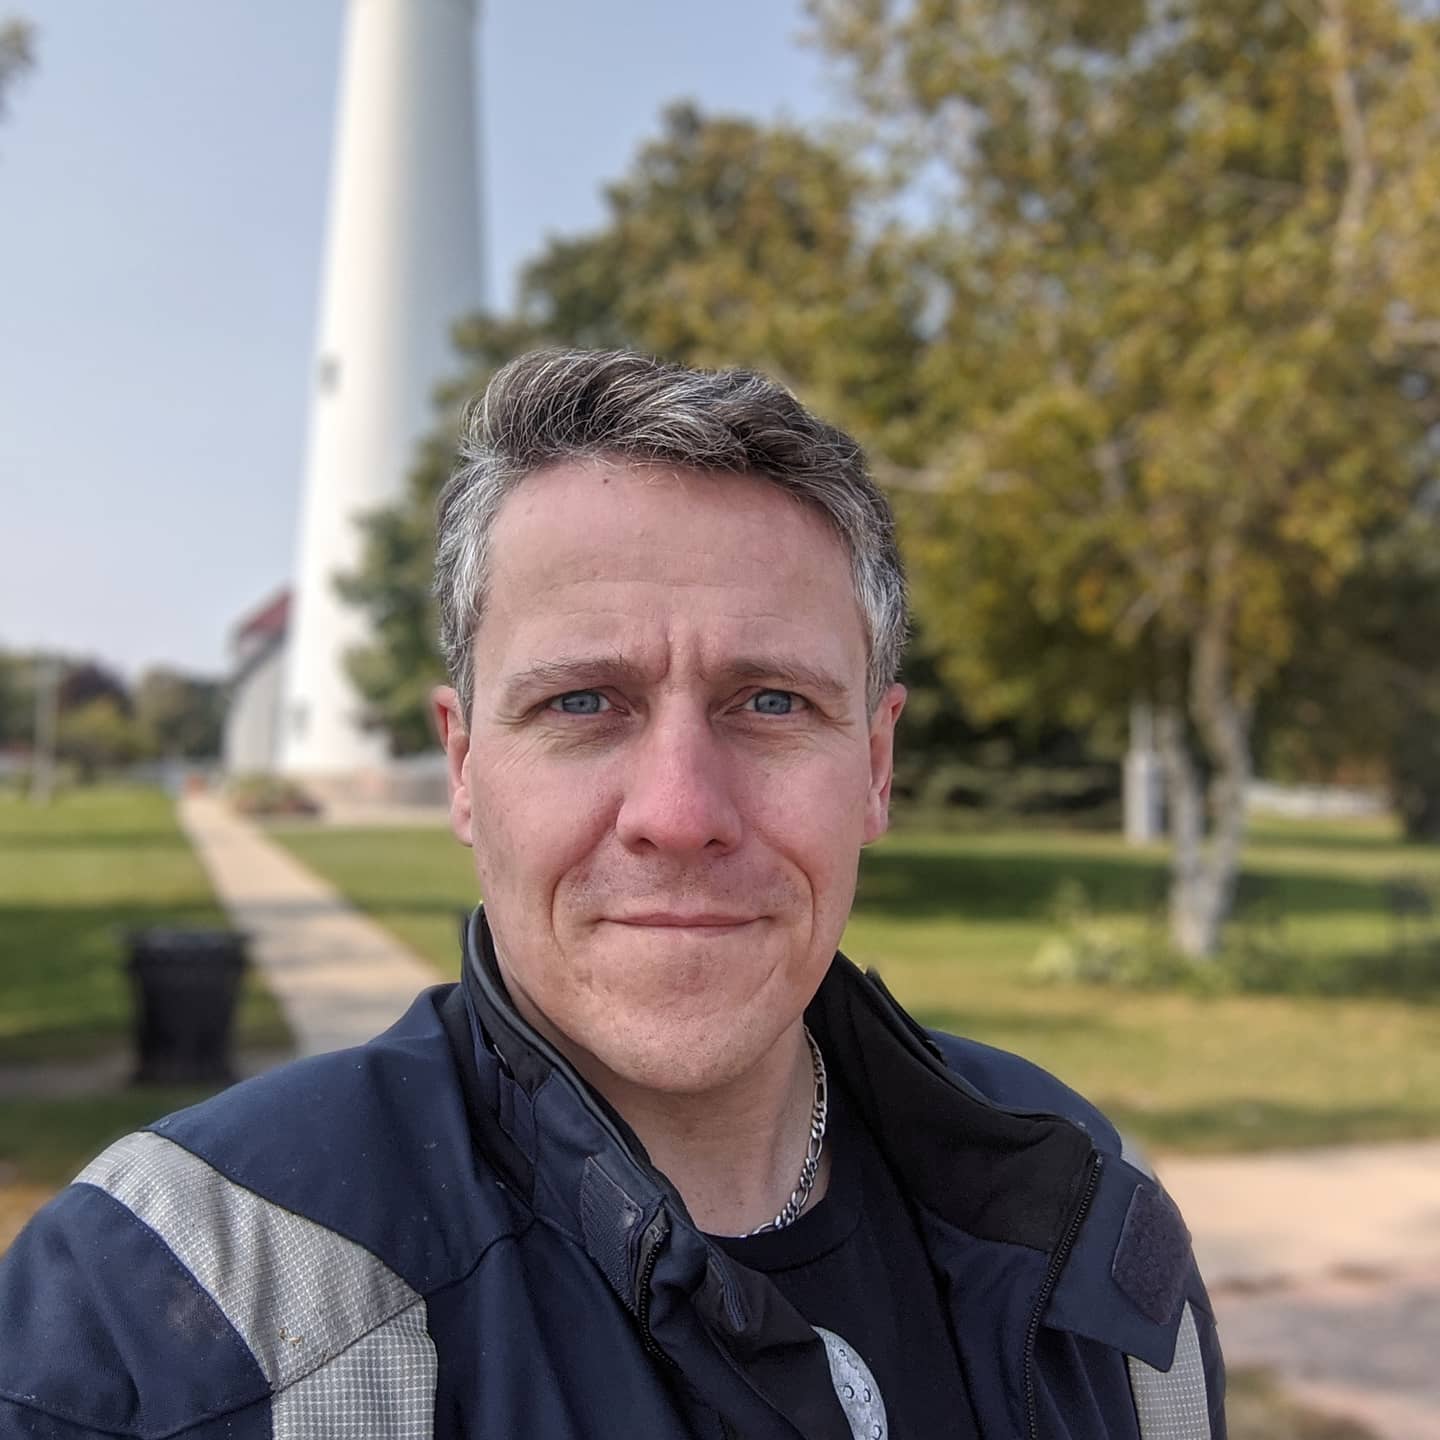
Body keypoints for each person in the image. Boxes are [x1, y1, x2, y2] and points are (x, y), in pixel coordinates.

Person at [0, 350, 1225, 1439]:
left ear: (878, 763)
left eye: (773, 701)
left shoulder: (1081, 1209)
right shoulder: (165, 1314)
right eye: (583, 703)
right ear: (468, 762)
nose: (679, 812)